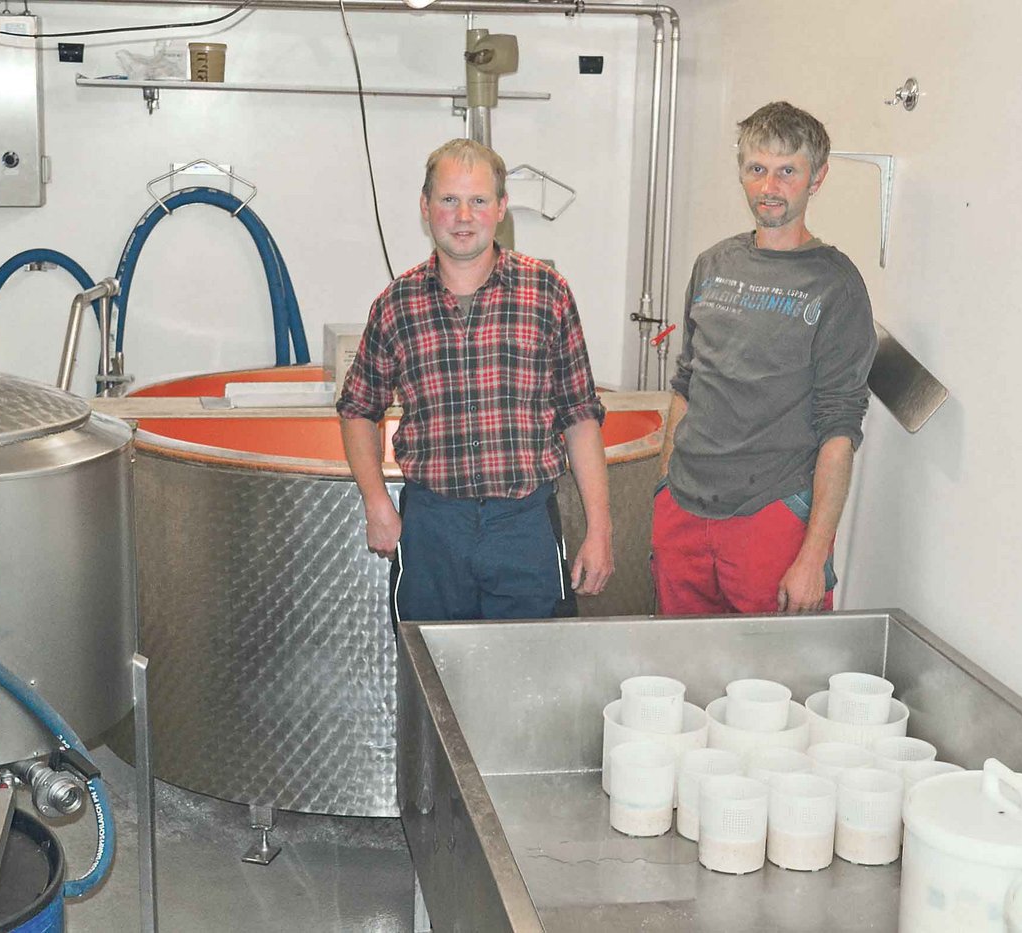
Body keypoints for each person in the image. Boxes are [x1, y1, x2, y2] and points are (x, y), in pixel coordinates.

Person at [337, 138, 613, 623]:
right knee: (432, 680)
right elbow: (359, 408)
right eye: (448, 200)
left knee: (529, 680)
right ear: (426, 208)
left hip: (523, 525)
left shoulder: (547, 294)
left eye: (479, 200)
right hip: (432, 528)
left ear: (501, 208)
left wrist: (600, 530)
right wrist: (377, 502)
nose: (463, 216)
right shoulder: (396, 304)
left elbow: (580, 416)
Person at [653, 102, 877, 616]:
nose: (769, 187)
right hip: (684, 511)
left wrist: (813, 554)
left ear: (816, 178)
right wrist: (666, 486)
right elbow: (687, 383)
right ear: (741, 171)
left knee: (774, 685)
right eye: (757, 169)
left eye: (786, 171)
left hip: (771, 517)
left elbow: (840, 428)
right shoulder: (713, 264)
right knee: (682, 674)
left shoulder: (835, 284)